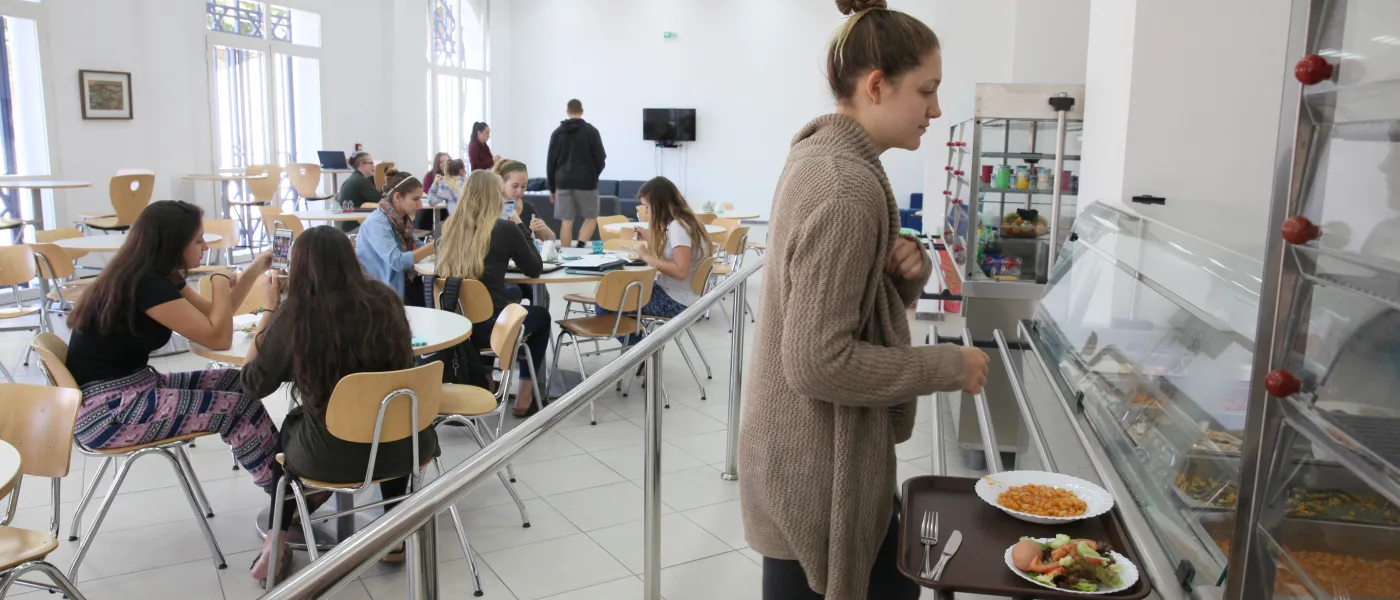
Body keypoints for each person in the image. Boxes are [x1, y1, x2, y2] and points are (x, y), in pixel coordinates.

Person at [739, 2, 991, 599]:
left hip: (804, 458)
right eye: (925, 91)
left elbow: (834, 303)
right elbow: (817, 360)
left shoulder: (826, 160)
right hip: (816, 475)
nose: (935, 110)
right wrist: (947, 365)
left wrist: (900, 276)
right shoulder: (846, 187)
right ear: (876, 86)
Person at [64, 200, 284, 551]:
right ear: (173, 243)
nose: (206, 247)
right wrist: (230, 289)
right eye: (198, 241)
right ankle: (283, 492)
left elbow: (216, 313)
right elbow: (218, 335)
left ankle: (284, 479)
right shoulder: (146, 286)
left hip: (129, 389)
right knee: (235, 407)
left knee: (237, 382)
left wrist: (255, 269)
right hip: (110, 413)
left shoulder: (154, 275)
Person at [243, 226, 437, 581]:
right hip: (406, 445)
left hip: (329, 455)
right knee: (384, 412)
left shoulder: (296, 315)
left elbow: (253, 383)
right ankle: (393, 532)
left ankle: (276, 542)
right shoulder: (385, 300)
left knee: (290, 431)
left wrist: (269, 311)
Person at [437, 170, 552, 418]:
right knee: (540, 315)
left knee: (503, 300)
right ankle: (524, 394)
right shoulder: (503, 228)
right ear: (493, 197)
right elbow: (534, 268)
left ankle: (486, 378)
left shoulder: (448, 229)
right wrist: (520, 226)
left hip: (456, 329)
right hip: (493, 330)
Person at [596, 176, 710, 325]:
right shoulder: (688, 222)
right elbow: (675, 255)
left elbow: (681, 271)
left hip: (676, 301)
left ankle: (637, 346)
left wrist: (645, 256)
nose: (646, 212)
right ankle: (639, 345)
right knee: (618, 296)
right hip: (683, 296)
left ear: (659, 205)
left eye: (647, 207)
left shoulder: (678, 227)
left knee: (605, 302)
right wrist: (650, 238)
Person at [355, 169, 437, 305]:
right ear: (397, 197)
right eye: (415, 199)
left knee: (438, 290)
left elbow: (416, 245)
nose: (420, 205)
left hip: (400, 283)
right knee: (433, 297)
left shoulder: (401, 220)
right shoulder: (377, 223)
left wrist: (437, 247)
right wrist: (431, 248)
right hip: (381, 291)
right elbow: (397, 261)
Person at [494, 159, 557, 305]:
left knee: (542, 295)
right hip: (501, 272)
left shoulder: (528, 207)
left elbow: (550, 239)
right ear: (503, 183)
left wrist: (544, 229)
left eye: (524, 186)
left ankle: (534, 325)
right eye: (515, 186)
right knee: (512, 294)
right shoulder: (493, 206)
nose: (520, 191)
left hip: (524, 268)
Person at [546, 99, 606, 249]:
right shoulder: (591, 131)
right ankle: (580, 244)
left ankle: (566, 253)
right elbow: (601, 158)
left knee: (566, 221)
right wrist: (593, 174)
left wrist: (552, 188)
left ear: (567, 112)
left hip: (563, 182)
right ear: (582, 111)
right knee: (591, 217)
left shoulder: (557, 133)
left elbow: (550, 163)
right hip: (586, 182)